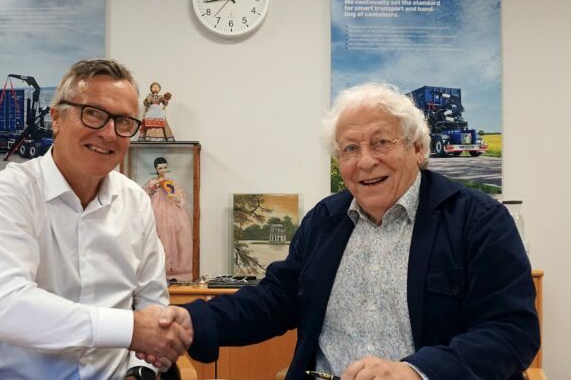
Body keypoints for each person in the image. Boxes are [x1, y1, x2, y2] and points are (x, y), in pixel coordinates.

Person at [155, 83, 540, 380]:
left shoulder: (478, 219)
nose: (365, 161)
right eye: (350, 149)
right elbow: (275, 299)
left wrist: (416, 371)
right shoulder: (325, 220)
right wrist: (193, 321)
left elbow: (511, 330)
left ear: (418, 148)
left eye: (381, 142)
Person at [0, 59, 191, 380]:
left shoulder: (136, 201)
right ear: (56, 118)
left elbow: (152, 301)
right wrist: (129, 329)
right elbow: (0, 306)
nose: (109, 133)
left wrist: (140, 370)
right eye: (93, 114)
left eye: (124, 121)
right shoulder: (13, 191)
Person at [143, 157, 193, 281]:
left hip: (170, 208)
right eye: (160, 168)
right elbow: (143, 193)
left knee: (172, 233)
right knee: (159, 231)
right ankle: (157, 267)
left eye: (165, 167)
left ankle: (172, 267)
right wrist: (155, 187)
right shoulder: (152, 181)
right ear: (156, 169)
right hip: (156, 207)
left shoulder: (170, 181)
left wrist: (174, 196)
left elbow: (180, 194)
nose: (163, 170)